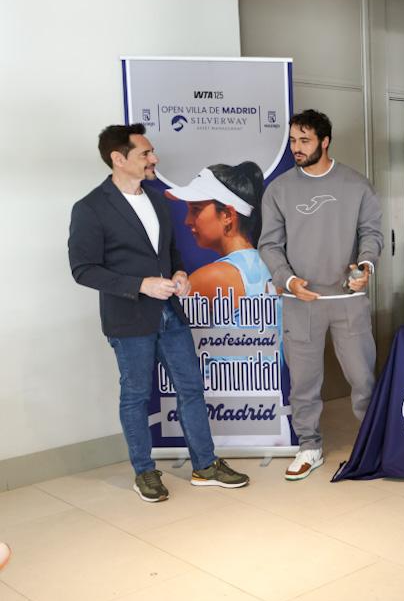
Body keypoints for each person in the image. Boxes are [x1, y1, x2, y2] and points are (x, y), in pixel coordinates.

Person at [68, 124, 249, 502]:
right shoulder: (90, 208)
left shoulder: (157, 199)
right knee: (136, 396)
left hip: (170, 313)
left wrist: (180, 274)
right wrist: (141, 285)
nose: (155, 159)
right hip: (129, 317)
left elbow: (169, 254)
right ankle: (144, 472)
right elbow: (83, 269)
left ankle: (206, 465)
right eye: (145, 154)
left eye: (152, 152)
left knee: (191, 389)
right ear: (118, 159)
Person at [259, 109, 383, 480]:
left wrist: (366, 268)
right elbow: (269, 245)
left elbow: (371, 235)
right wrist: (287, 279)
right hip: (301, 301)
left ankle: (372, 444)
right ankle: (309, 446)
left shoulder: (356, 185)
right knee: (304, 382)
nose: (296, 148)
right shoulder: (279, 189)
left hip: (347, 300)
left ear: (324, 142)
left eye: (305, 141)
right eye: (293, 140)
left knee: (363, 379)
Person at [167, 162, 273, 301]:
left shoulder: (212, 277)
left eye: (196, 209)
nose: (187, 220)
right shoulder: (275, 265)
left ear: (227, 215)